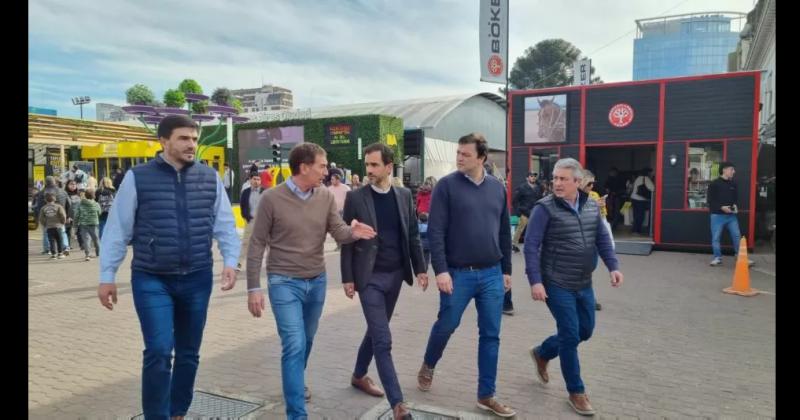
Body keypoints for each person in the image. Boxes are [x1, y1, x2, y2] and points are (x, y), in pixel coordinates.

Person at [97, 115, 241, 419]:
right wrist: (107, 276)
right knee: (159, 351)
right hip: (152, 279)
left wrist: (231, 261)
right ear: (164, 141)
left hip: (198, 277)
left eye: (194, 138)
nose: (192, 144)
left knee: (189, 354)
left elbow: (226, 225)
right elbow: (117, 230)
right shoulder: (138, 177)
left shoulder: (209, 177)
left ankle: (178, 411)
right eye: (184, 138)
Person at [245, 143, 376, 420]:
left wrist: (353, 232)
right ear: (304, 167)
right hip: (283, 282)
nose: (326, 171)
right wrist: (253, 287)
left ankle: (294, 380)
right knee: (293, 343)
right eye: (322, 165)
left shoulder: (325, 196)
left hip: (316, 281)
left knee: (307, 340)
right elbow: (256, 244)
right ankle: (297, 413)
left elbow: (338, 231)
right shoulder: (271, 199)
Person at [417, 133, 516, 418]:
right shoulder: (446, 187)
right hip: (457, 275)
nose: (459, 158)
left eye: (465, 154)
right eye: (458, 153)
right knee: (446, 324)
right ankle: (429, 362)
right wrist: (442, 271)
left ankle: (486, 395)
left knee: (491, 335)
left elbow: (502, 233)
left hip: (492, 274)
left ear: (482, 158)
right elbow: (435, 232)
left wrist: (507, 270)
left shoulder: (498, 188)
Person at [524, 158, 623, 416]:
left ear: (578, 182)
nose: (557, 183)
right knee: (569, 334)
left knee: (585, 330)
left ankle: (543, 352)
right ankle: (576, 392)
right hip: (556, 282)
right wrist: (535, 281)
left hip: (583, 282)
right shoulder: (544, 209)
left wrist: (613, 266)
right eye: (555, 178)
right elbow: (531, 246)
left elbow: (601, 238)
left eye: (563, 179)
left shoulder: (591, 205)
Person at [340, 143, 428, 420]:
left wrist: (421, 268)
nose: (369, 170)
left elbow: (412, 234)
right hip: (369, 278)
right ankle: (398, 405)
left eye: (375, 165)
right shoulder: (356, 198)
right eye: (367, 165)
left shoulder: (403, 196)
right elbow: (346, 240)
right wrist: (347, 278)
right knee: (383, 339)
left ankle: (358, 375)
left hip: (395, 276)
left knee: (376, 331)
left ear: (389, 167)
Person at [707, 162, 754, 267]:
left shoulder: (734, 184)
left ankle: (740, 257)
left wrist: (735, 206)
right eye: (732, 169)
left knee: (737, 235)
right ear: (724, 170)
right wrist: (722, 207)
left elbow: (735, 199)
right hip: (717, 216)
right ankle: (717, 258)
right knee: (716, 237)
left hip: (731, 216)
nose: (734, 172)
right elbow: (710, 200)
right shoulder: (714, 184)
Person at [580, 170, 612, 311]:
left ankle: (588, 299)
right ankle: (589, 300)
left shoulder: (594, 195)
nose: (592, 186)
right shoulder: (570, 197)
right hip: (577, 243)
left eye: (593, 183)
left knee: (587, 272)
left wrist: (601, 207)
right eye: (589, 183)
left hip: (591, 242)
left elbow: (602, 218)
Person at [36, 176, 71, 256]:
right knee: (62, 232)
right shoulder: (62, 191)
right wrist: (68, 216)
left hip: (47, 217)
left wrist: (40, 218)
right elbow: (69, 204)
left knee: (46, 233)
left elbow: (39, 206)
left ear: (45, 182)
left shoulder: (42, 193)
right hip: (60, 216)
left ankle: (47, 249)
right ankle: (65, 247)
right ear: (54, 182)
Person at [237, 173, 264, 271]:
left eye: (258, 179)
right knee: (245, 243)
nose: (256, 181)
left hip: (264, 223)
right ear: (250, 180)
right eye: (254, 179)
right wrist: (246, 217)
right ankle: (239, 263)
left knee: (270, 244)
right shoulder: (245, 192)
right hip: (251, 221)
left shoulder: (265, 192)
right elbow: (242, 206)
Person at [39, 192, 67, 259]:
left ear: (45, 200)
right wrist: (63, 222)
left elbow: (41, 218)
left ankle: (53, 254)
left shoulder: (43, 208)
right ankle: (60, 253)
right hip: (58, 226)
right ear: (55, 199)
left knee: (51, 241)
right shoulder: (58, 206)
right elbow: (63, 215)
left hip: (49, 227)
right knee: (59, 240)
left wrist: (44, 224)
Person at [76, 188, 101, 261]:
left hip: (83, 224)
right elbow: (99, 212)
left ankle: (87, 255)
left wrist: (75, 224)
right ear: (94, 196)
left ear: (85, 195)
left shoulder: (81, 203)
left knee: (86, 240)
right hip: (94, 223)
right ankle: (98, 253)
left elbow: (77, 214)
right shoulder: (96, 204)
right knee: (96, 238)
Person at [630, 168, 654, 235]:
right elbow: (652, 188)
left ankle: (634, 230)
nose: (652, 174)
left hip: (634, 198)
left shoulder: (638, 178)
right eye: (651, 172)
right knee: (640, 216)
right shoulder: (646, 178)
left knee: (636, 215)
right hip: (641, 199)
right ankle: (637, 231)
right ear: (648, 173)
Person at [64, 179, 84, 251]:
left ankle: (82, 245)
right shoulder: (65, 194)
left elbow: (81, 205)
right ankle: (67, 245)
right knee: (67, 231)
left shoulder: (79, 194)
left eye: (74, 184)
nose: (73, 186)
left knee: (79, 230)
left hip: (78, 215)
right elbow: (64, 206)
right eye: (71, 184)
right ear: (67, 185)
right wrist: (67, 216)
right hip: (69, 215)